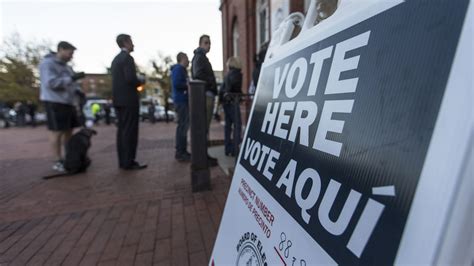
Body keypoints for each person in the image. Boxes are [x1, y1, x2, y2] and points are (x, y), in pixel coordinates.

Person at [39, 41, 85, 172]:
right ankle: (57, 160)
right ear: (61, 50)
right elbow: (50, 83)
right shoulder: (48, 64)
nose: (72, 56)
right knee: (57, 132)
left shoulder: (66, 67)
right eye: (70, 53)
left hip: (68, 103)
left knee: (69, 131)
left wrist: (79, 91)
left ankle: (69, 157)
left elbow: (72, 84)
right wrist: (72, 78)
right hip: (55, 102)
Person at [111, 34, 147, 170]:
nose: (133, 44)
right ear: (126, 42)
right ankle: (129, 161)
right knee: (130, 131)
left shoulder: (116, 59)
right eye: (131, 42)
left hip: (119, 100)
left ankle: (123, 161)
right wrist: (141, 80)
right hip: (129, 100)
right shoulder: (127, 58)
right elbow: (130, 79)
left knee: (121, 131)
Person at [191, 34, 218, 166]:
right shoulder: (199, 57)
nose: (209, 45)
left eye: (210, 43)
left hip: (207, 94)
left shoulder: (201, 57)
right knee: (203, 128)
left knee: (204, 128)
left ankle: (204, 155)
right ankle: (203, 157)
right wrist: (212, 85)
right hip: (206, 95)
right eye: (206, 43)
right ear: (200, 44)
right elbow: (198, 75)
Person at [219, 57, 243, 157]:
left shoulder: (227, 75)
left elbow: (222, 89)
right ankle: (234, 149)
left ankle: (228, 148)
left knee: (228, 126)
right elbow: (235, 89)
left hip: (226, 102)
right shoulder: (238, 74)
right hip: (233, 101)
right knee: (238, 125)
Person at [171, 52, 191, 162]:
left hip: (182, 101)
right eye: (187, 58)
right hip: (181, 101)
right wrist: (188, 85)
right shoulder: (179, 69)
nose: (188, 61)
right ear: (182, 59)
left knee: (183, 126)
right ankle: (181, 152)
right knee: (183, 126)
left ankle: (182, 150)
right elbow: (177, 83)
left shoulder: (180, 70)